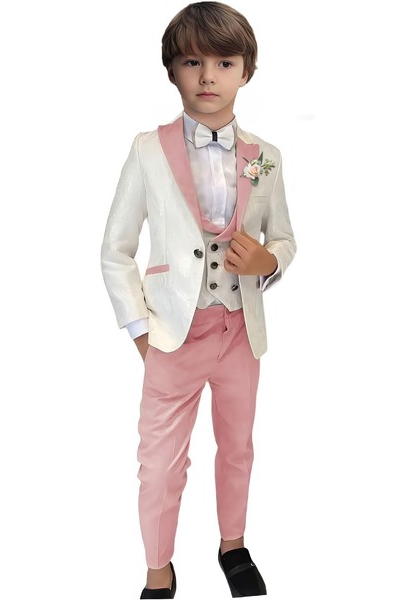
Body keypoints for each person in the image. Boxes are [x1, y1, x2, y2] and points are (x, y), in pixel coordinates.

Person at [100, 2, 296, 597]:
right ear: (172, 71)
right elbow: (116, 249)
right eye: (192, 62)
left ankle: (233, 545)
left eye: (224, 62)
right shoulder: (147, 149)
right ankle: (158, 568)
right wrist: (140, 330)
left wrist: (268, 262)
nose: (208, 76)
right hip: (171, 333)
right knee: (159, 462)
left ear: (246, 71)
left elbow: (284, 237)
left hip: (241, 332)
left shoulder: (265, 156)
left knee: (237, 447)